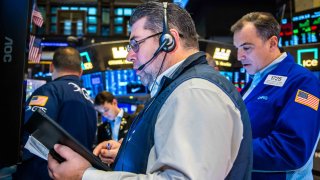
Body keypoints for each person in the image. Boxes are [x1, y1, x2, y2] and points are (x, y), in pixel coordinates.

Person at [47, 2, 252, 179]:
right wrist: (129, 152)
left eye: (135, 43)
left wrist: (85, 176)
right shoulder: (179, 88)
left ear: (168, 41)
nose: (129, 56)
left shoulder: (195, 92)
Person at [231, 12, 320, 179]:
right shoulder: (256, 80)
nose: (239, 56)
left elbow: (292, 150)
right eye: (238, 48)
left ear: (272, 43)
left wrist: (227, 150)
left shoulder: (303, 82)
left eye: (247, 47)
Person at [13, 47, 97, 180]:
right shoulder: (89, 100)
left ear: (51, 67)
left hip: (42, 173)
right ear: (80, 71)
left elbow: (30, 131)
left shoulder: (50, 91)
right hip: (76, 174)